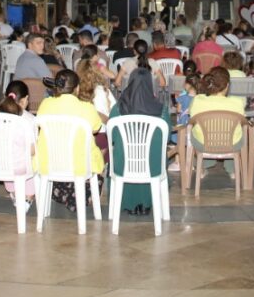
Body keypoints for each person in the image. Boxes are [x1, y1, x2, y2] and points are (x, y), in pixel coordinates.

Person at [36, 69, 105, 212]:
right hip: (79, 165)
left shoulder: (45, 104)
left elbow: (38, 124)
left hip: (50, 162)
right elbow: (96, 128)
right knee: (96, 167)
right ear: (77, 88)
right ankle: (77, 194)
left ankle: (63, 190)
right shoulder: (86, 107)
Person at [108, 68, 172, 216]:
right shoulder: (162, 110)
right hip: (153, 168)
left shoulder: (117, 109)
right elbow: (166, 138)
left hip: (123, 166)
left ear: (129, 83)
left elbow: (112, 138)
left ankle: (127, 202)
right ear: (151, 84)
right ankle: (147, 202)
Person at [189, 67, 245, 180]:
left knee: (198, 133)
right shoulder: (238, 102)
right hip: (231, 145)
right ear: (228, 85)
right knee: (235, 134)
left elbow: (191, 118)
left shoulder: (197, 100)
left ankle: (201, 167)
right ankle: (233, 170)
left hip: (203, 144)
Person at [0, 82, 36, 205]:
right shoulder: (29, 119)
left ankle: (14, 192)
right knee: (30, 158)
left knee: (9, 155)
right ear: (26, 99)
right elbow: (32, 151)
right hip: (19, 167)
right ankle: (28, 196)